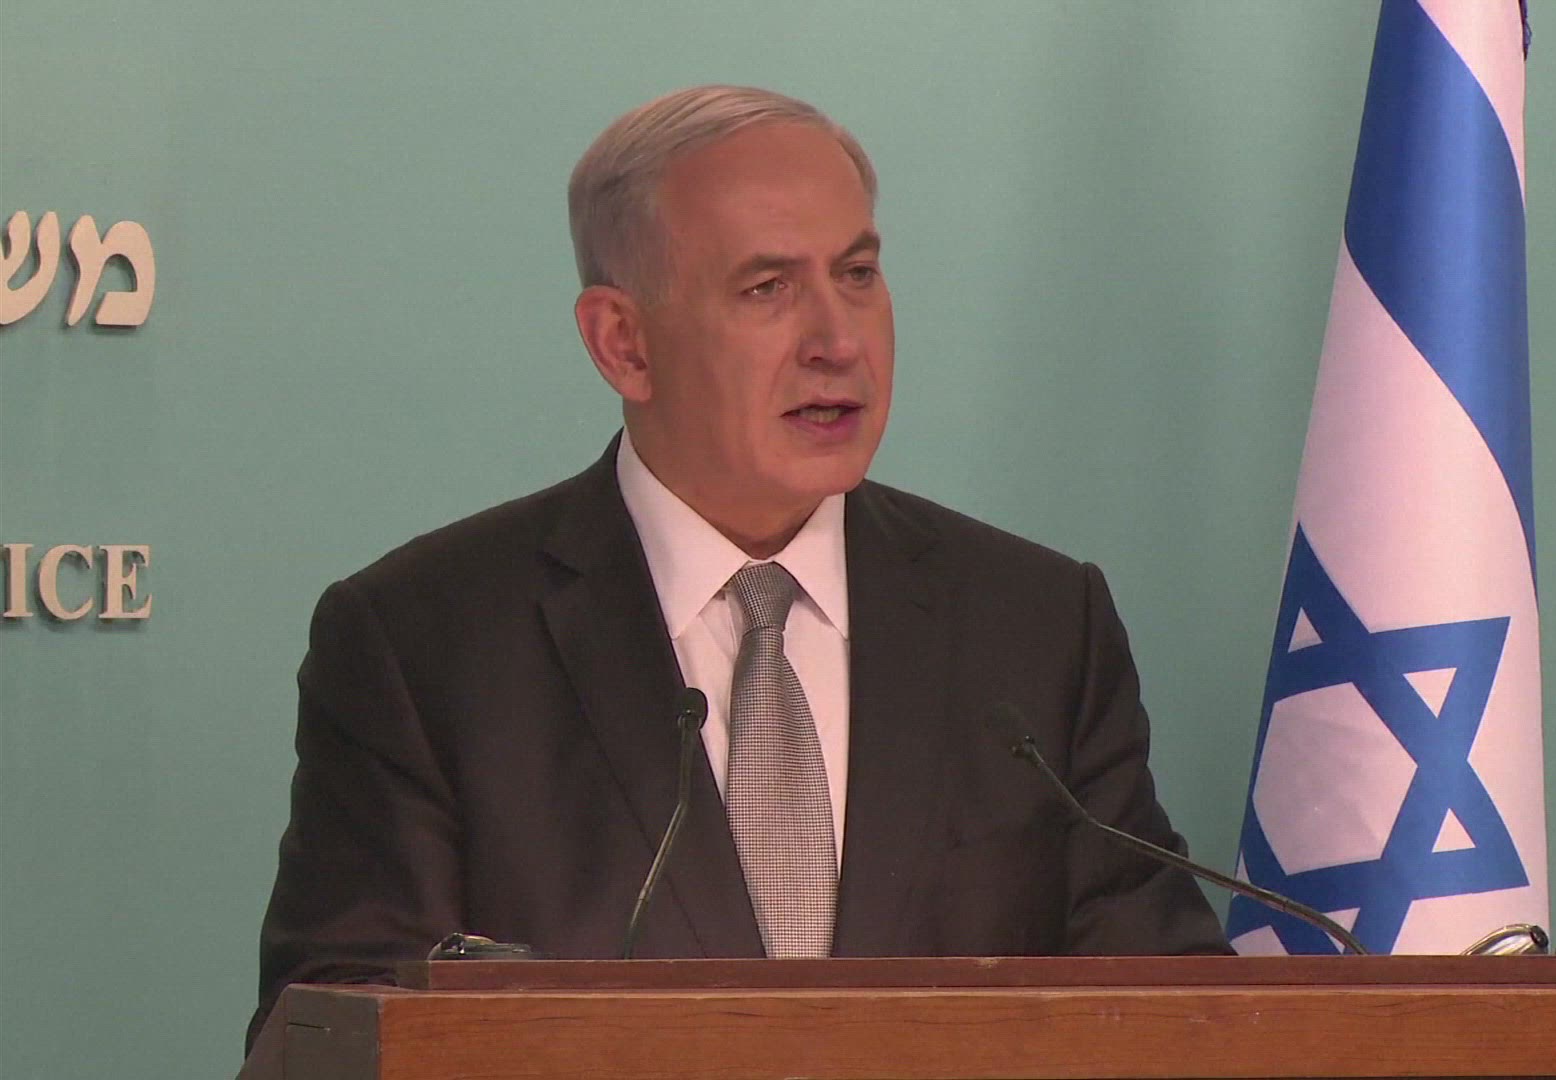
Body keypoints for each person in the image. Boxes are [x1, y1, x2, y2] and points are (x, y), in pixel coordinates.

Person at [249, 84, 1226, 1051]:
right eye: (768, 288)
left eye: (857, 273)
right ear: (624, 344)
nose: (838, 342)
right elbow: (343, 1035)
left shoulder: (1038, 627)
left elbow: (1183, 1019)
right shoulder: (422, 647)